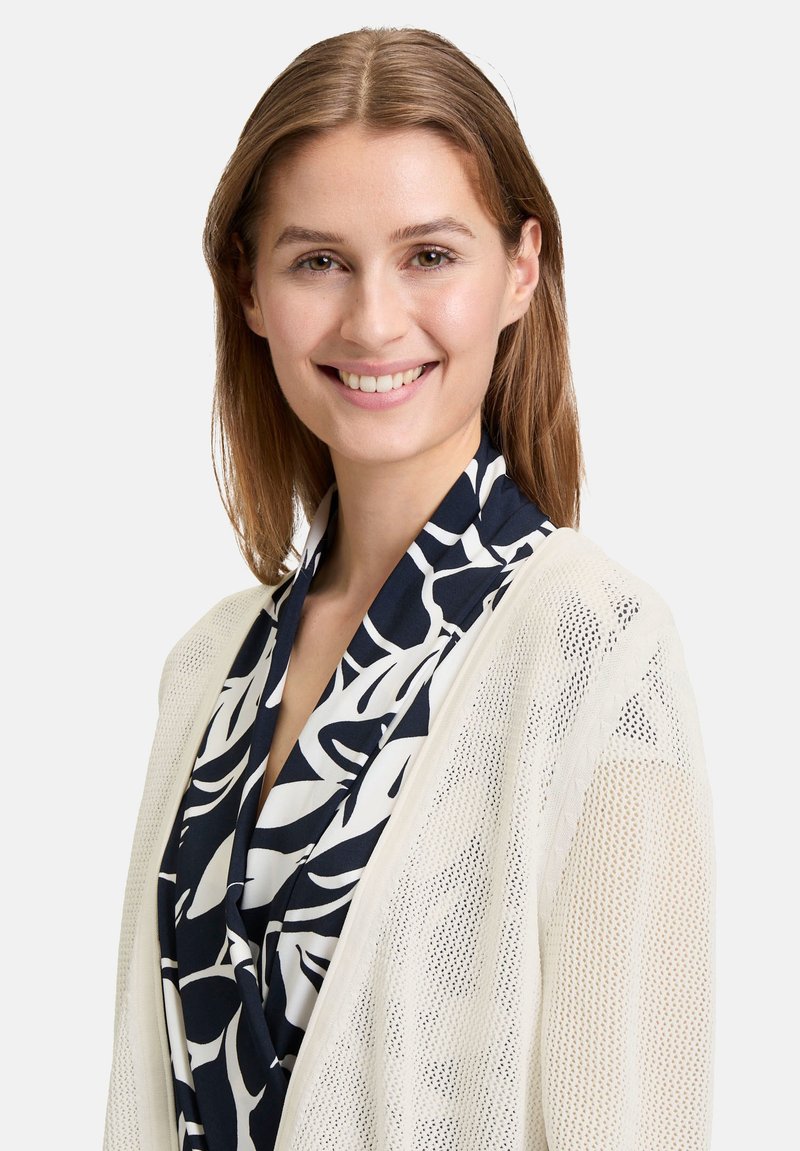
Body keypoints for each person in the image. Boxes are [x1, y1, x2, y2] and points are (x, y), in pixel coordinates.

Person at [104, 26, 715, 1151]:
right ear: (250, 287)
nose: (374, 320)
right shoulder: (206, 669)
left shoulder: (593, 651)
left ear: (519, 270)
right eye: (317, 261)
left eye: (429, 255)